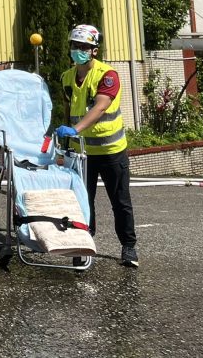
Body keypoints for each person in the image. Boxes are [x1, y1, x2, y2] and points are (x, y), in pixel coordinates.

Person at [56, 24, 139, 267]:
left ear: (94, 50)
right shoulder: (67, 77)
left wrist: (76, 129)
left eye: (84, 47)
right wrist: (64, 140)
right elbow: (68, 110)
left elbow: (101, 106)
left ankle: (129, 247)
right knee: (82, 201)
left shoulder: (108, 75)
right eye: (75, 46)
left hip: (111, 150)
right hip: (82, 154)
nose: (78, 50)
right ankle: (84, 244)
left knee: (120, 201)